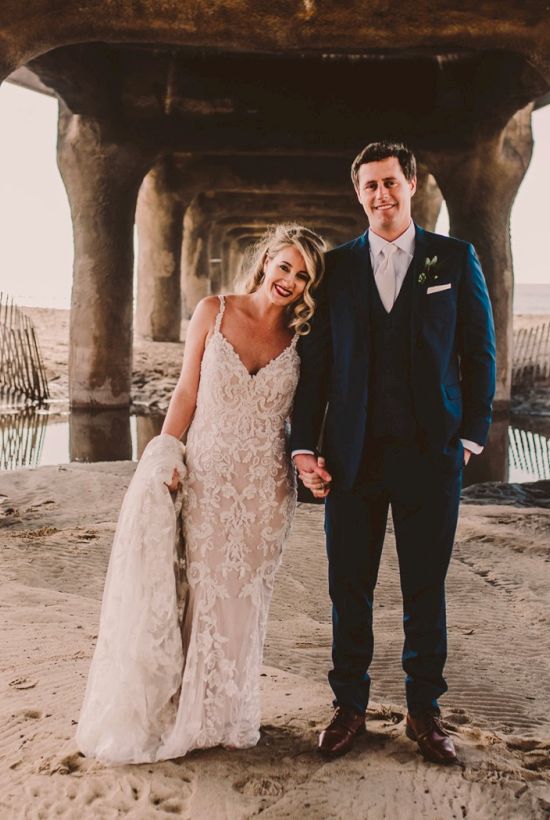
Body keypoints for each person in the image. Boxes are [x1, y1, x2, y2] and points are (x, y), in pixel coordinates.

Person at [76, 223, 325, 763]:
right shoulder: (213, 311)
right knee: (203, 592)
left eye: (302, 276)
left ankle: (231, 716)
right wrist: (167, 452)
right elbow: (187, 390)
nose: (290, 280)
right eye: (284, 266)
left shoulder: (304, 338)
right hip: (210, 478)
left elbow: (313, 410)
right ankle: (189, 713)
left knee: (246, 602)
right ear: (266, 262)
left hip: (266, 489)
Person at [292, 142, 496, 765]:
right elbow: (315, 366)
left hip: (431, 457)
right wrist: (303, 446)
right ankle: (349, 706)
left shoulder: (452, 258)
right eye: (370, 186)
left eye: (391, 183)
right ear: (358, 194)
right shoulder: (336, 267)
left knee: (424, 588)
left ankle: (424, 713)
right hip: (350, 459)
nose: (381, 194)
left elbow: (480, 353)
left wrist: (469, 437)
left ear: (412, 185)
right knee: (348, 588)